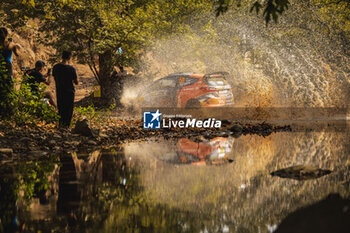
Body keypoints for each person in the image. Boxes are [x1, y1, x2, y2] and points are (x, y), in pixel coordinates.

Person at [53, 51, 78, 128]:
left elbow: (54, 77)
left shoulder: (56, 67)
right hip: (69, 92)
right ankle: (67, 126)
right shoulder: (71, 69)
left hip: (60, 91)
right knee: (68, 109)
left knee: (61, 108)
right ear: (69, 58)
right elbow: (76, 82)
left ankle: (61, 124)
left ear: (62, 57)